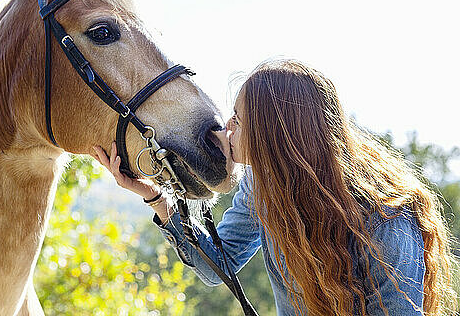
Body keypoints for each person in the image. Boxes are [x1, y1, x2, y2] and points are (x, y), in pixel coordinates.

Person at [93, 59, 457, 316]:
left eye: (238, 118)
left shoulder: (387, 220)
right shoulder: (261, 186)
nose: (226, 126)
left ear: (275, 133)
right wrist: (156, 196)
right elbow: (217, 266)